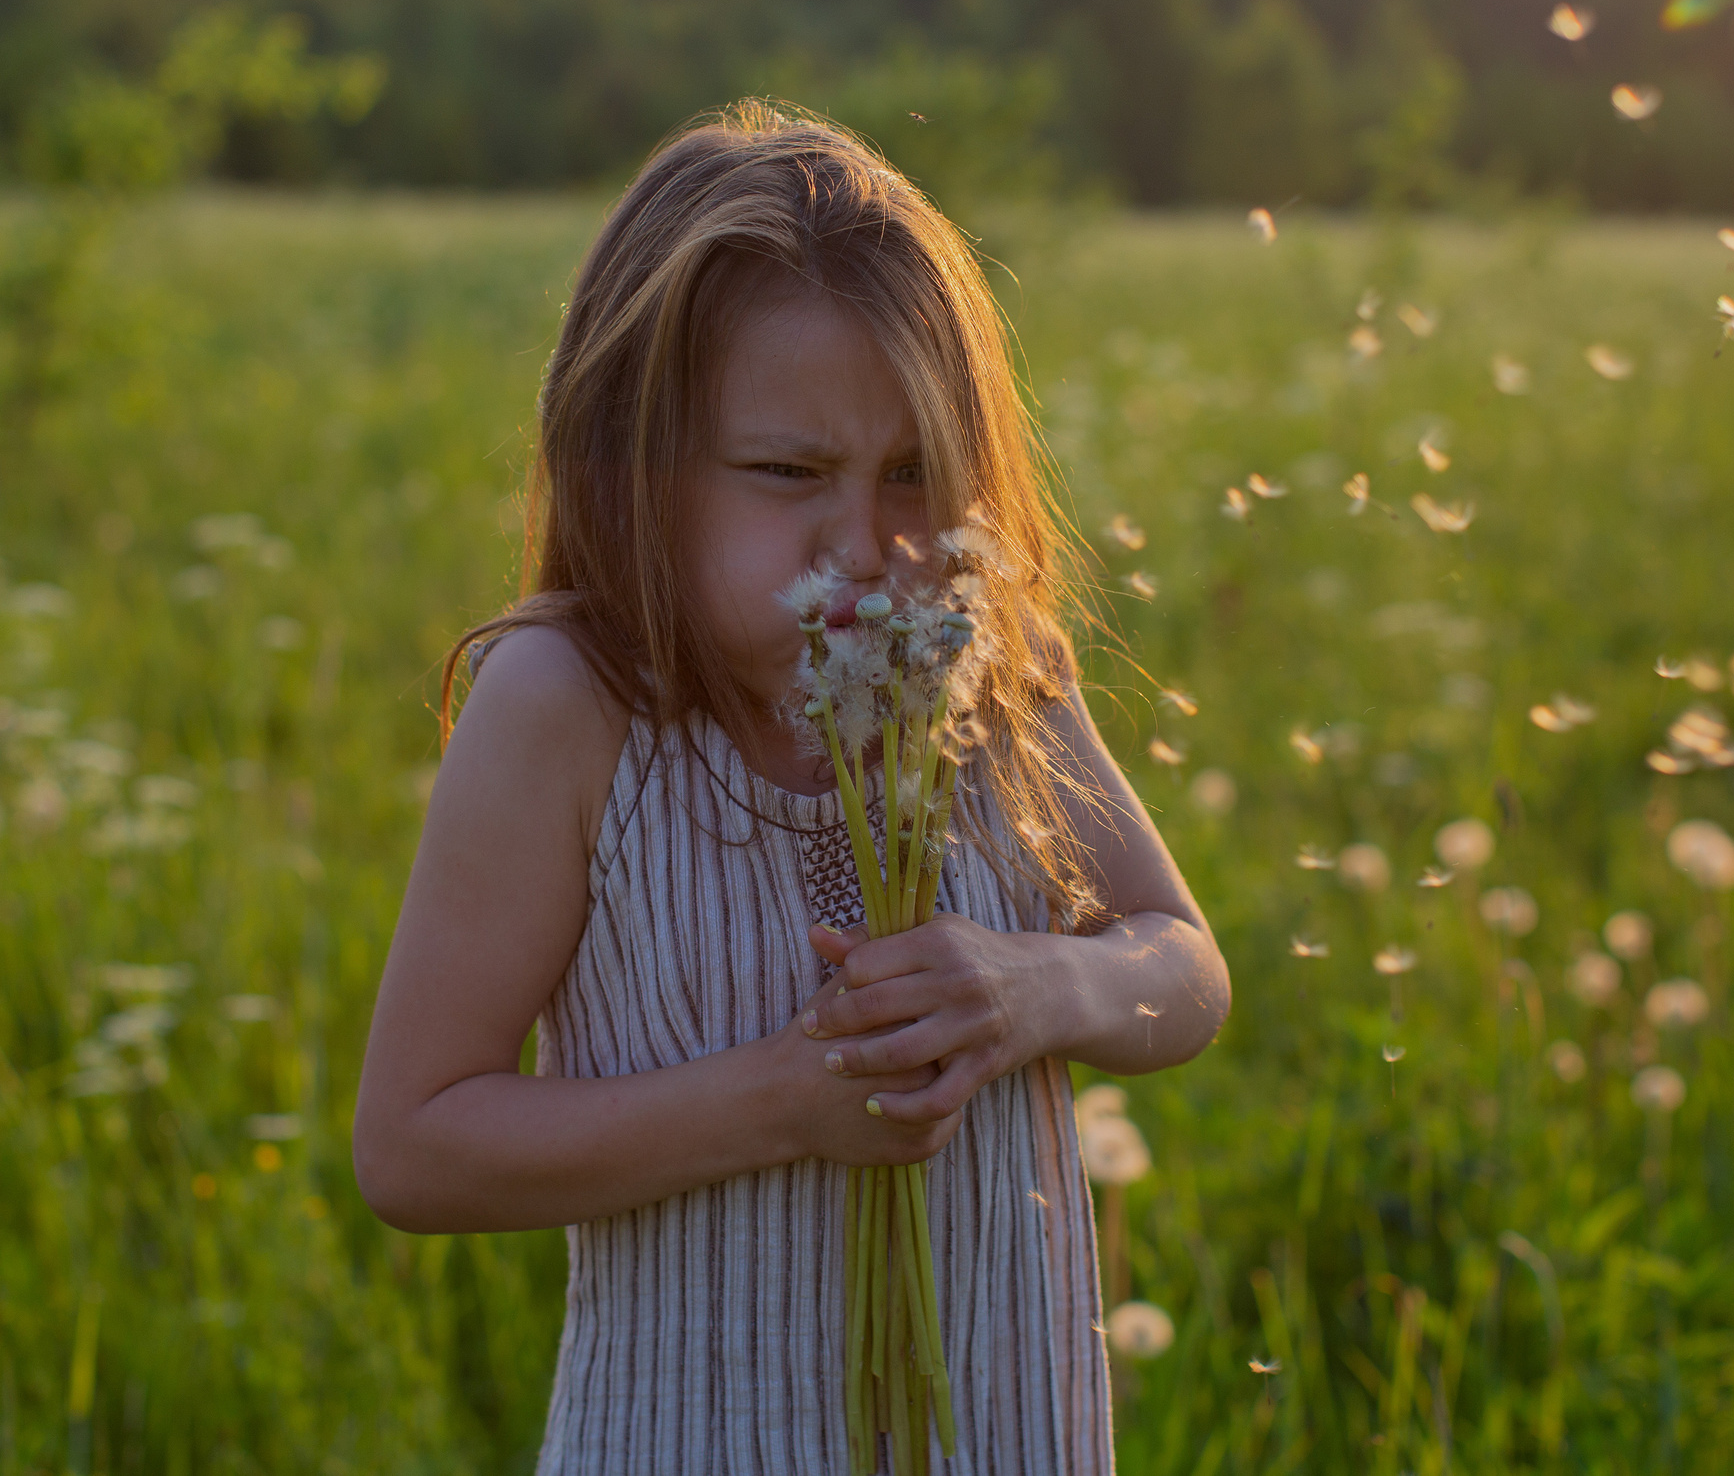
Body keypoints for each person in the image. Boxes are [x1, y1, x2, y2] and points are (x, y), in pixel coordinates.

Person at [351, 100, 1230, 1474]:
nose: (867, 544)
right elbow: (413, 1144)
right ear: (633, 468)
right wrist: (779, 1099)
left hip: (1002, 1437)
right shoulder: (570, 711)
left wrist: (1037, 987)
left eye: (913, 475)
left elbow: (1184, 968)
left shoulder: (989, 671)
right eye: (787, 474)